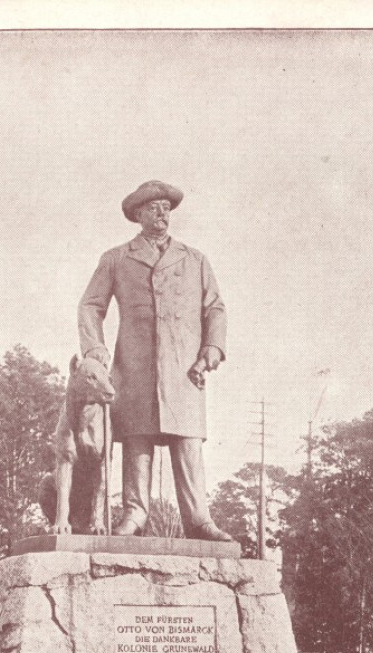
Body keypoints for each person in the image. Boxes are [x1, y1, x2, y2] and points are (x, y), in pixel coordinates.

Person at [78, 179, 232, 540]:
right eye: (153, 207)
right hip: (134, 365)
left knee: (188, 442)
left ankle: (198, 519)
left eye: (166, 207)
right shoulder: (116, 258)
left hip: (184, 368)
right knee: (137, 440)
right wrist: (95, 352)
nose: (161, 213)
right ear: (137, 214)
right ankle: (134, 514)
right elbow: (90, 305)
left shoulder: (194, 259)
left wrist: (211, 350)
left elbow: (215, 308)